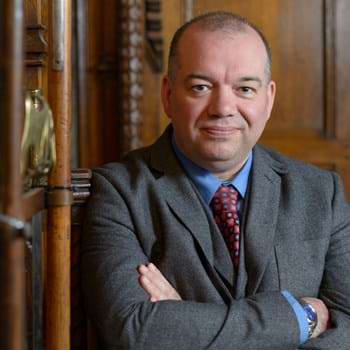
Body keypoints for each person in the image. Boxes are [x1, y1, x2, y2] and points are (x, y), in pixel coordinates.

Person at [82, 11, 350, 350]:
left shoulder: (321, 192)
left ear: (268, 99)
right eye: (201, 87)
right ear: (168, 94)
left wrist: (183, 323)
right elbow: (135, 331)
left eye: (245, 88)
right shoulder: (118, 192)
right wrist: (298, 318)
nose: (223, 107)